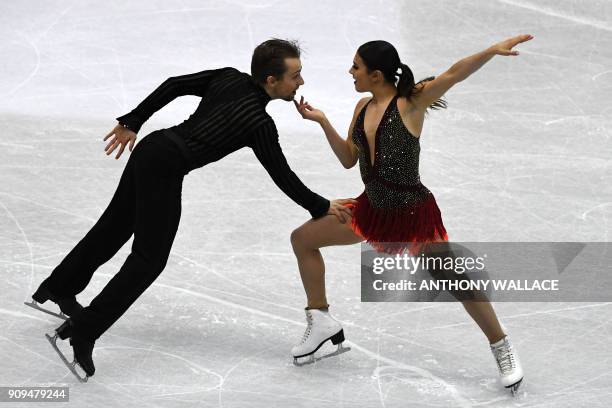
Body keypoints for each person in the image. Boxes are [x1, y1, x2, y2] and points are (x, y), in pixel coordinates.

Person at [26, 38, 356, 381]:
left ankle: (59, 287)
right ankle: (83, 331)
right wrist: (321, 206)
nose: (300, 82)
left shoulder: (229, 77)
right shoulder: (258, 123)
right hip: (165, 167)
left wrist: (136, 121)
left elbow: (174, 85)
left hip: (152, 150)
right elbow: (283, 176)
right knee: (149, 259)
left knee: (114, 228)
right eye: (295, 76)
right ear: (271, 81)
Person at [290, 35, 533, 394]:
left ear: (376, 74)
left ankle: (502, 346)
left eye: (355, 66)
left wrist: (488, 52)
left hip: (412, 213)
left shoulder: (412, 102)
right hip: (372, 209)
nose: (350, 71)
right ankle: (321, 320)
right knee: (303, 240)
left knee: (453, 276)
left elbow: (454, 73)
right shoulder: (361, 107)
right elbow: (348, 159)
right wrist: (322, 120)